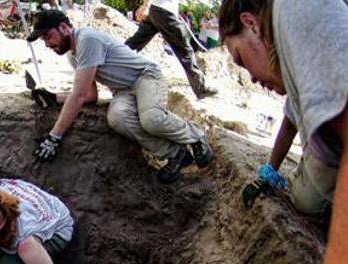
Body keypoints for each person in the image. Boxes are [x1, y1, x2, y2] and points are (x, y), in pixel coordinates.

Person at [156, 0, 348, 264]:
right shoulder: (298, 43)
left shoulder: (297, 8)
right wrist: (270, 169)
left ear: (251, 24)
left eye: (241, 59)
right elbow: (293, 116)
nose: (248, 77)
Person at [27, 10, 213, 183]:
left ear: (64, 27)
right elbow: (90, 95)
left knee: (150, 118)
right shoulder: (73, 56)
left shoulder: (87, 39)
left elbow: (79, 95)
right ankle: (174, 153)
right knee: (117, 118)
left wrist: (54, 137)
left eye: (48, 36)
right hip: (123, 90)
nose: (47, 44)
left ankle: (195, 136)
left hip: (146, 77)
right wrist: (53, 98)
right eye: (43, 40)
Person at [242, 101, 338, 217]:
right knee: (306, 201)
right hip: (331, 149)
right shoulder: (301, 88)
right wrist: (270, 172)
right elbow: (289, 126)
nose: (254, 81)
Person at [125, 0, 217, 99]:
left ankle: (110, 60)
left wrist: (147, 6)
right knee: (185, 50)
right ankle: (200, 88)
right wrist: (146, 5)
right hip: (164, 11)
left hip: (155, 10)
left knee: (136, 42)